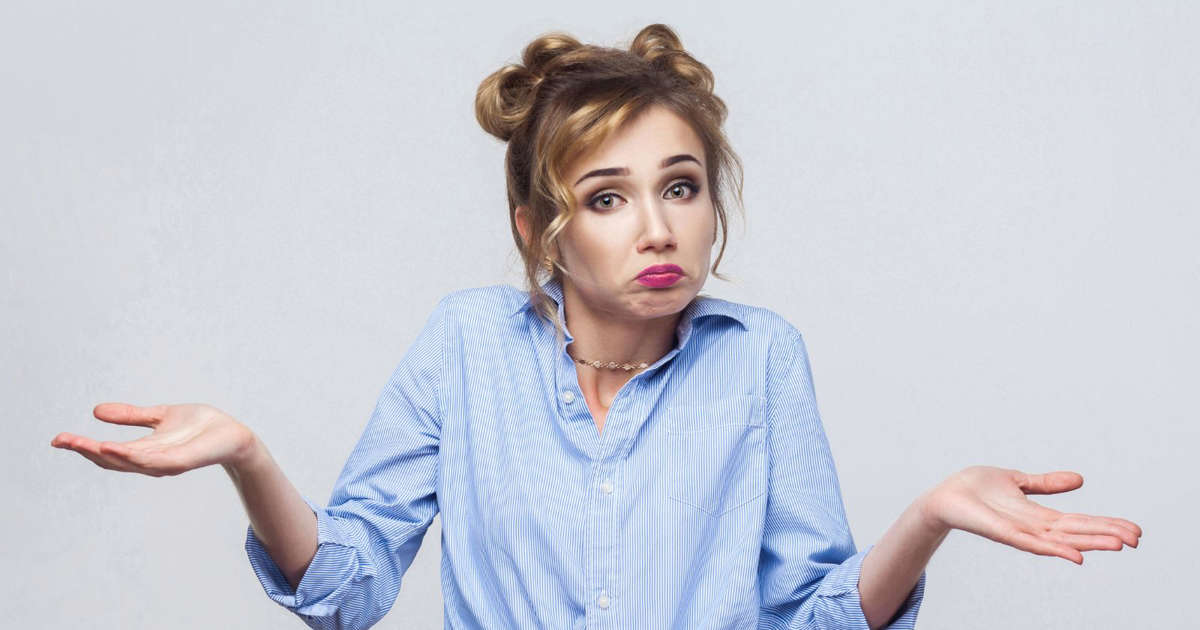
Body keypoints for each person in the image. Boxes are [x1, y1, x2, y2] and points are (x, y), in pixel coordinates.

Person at [50, 23, 1142, 630]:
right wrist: (247, 457)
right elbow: (347, 589)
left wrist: (929, 518)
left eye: (682, 185)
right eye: (608, 197)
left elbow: (813, 620)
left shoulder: (760, 359)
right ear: (538, 230)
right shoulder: (467, 346)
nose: (658, 227)